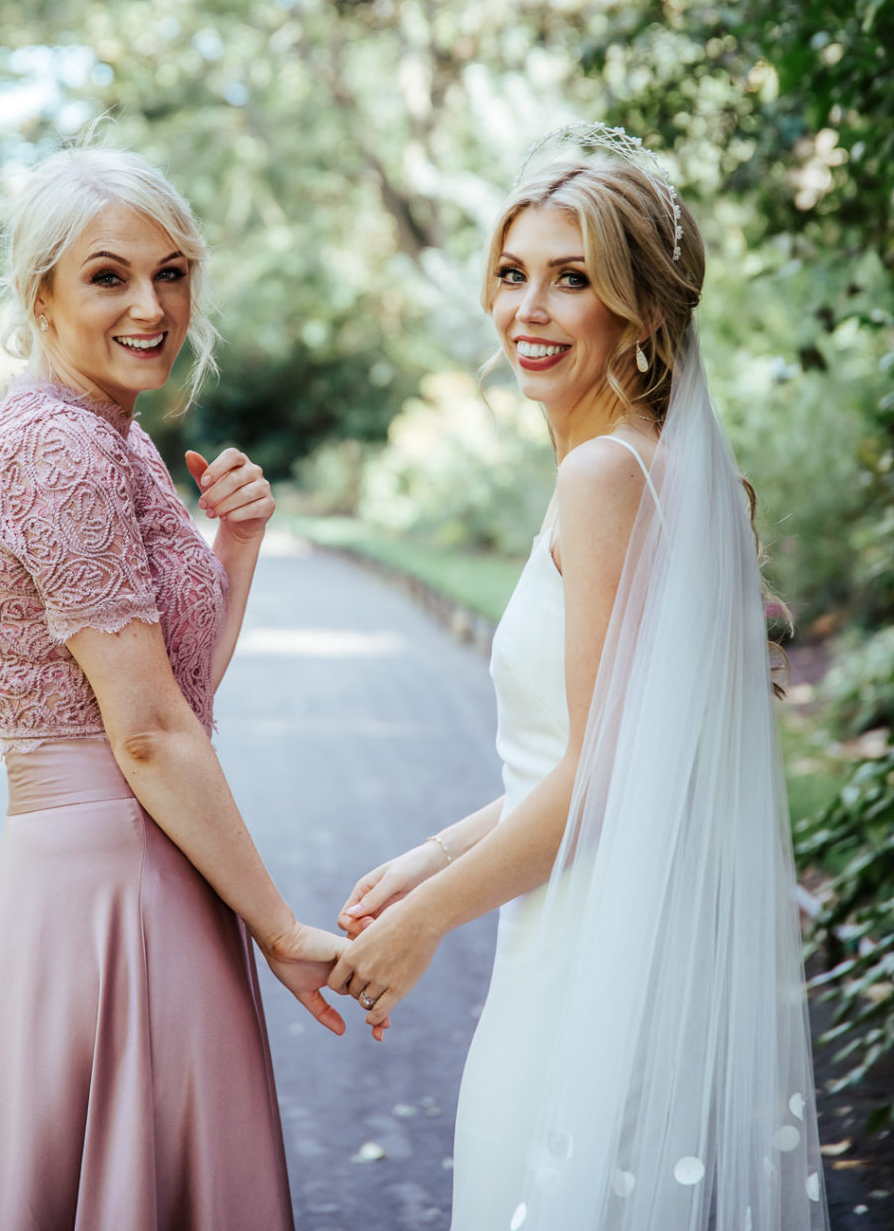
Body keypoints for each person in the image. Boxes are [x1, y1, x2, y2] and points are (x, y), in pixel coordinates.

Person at [329, 124, 829, 1231]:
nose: (528, 310)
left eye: (571, 281)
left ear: (641, 312)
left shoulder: (608, 477)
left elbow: (596, 780)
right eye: (512, 276)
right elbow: (600, 756)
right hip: (613, 928)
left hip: (592, 949)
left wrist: (424, 925)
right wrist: (424, 860)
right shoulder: (663, 465)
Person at [0, 144, 346, 1231]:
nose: (151, 305)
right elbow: (148, 736)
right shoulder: (64, 451)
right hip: (118, 879)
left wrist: (233, 548)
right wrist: (282, 930)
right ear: (40, 290)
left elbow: (174, 696)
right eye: (109, 276)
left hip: (140, 854)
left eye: (173, 270)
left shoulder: (114, 437)